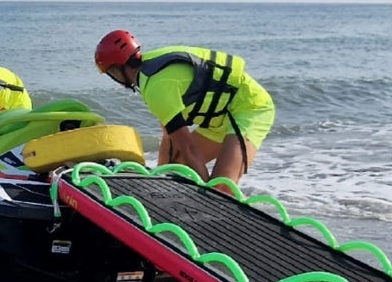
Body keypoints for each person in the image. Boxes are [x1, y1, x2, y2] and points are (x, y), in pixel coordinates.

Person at [94, 29, 275, 188]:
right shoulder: (150, 70)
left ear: (117, 70)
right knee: (177, 168)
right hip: (219, 119)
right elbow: (169, 136)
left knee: (221, 189)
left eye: (110, 74)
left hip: (249, 108)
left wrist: (207, 193)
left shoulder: (155, 88)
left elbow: (189, 148)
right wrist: (158, 179)